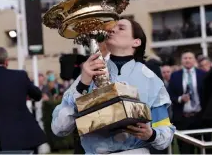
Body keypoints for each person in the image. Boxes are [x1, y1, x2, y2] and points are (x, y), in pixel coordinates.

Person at [51, 19, 175, 154]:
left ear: (136, 42)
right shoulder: (88, 73)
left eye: (121, 28)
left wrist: (151, 134)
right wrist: (82, 85)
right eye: (110, 28)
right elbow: (59, 128)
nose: (112, 30)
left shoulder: (152, 81)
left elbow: (165, 135)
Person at [0, 47, 46, 152]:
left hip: (0, 139)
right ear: (6, 61)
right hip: (26, 135)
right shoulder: (20, 75)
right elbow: (37, 95)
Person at [167, 51, 206, 154]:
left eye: (190, 58)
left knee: (201, 148)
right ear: (181, 61)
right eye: (185, 58)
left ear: (194, 60)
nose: (187, 60)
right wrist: (180, 99)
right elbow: (169, 95)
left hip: (199, 117)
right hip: (182, 117)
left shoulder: (202, 74)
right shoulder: (175, 75)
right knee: (185, 149)